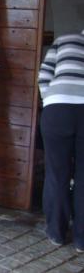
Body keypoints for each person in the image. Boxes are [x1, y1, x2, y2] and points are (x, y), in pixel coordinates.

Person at [38, 32, 84, 252]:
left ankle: (56, 232)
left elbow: (44, 74)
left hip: (57, 108)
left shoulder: (65, 39)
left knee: (57, 173)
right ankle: (81, 240)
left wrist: (52, 100)